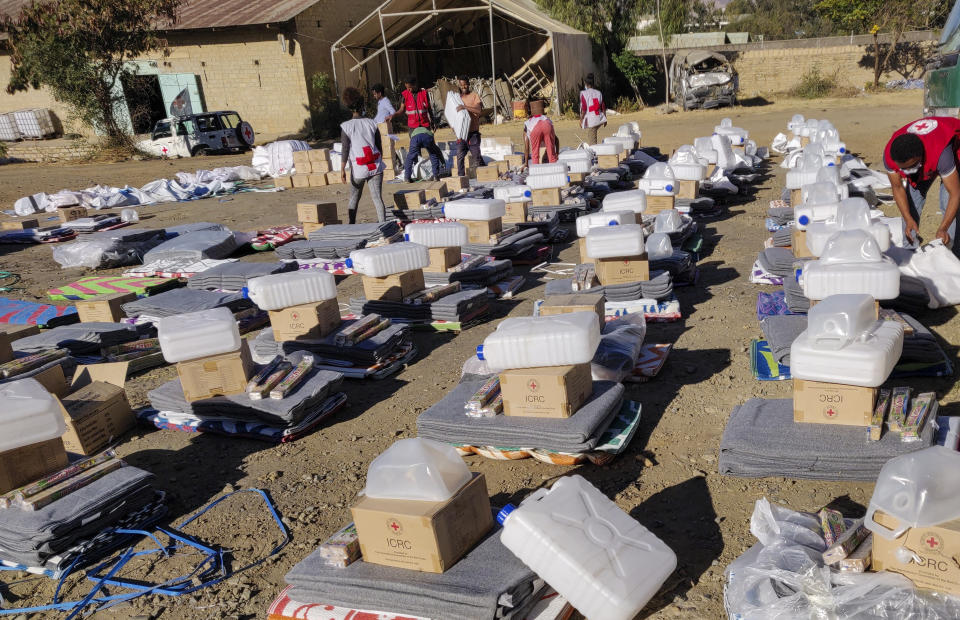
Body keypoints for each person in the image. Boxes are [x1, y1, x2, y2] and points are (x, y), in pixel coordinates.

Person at [883, 117, 960, 253]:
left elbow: (955, 193)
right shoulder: (890, 156)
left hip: (954, 149)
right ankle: (910, 252)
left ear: (921, 157)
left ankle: (950, 252)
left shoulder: (941, 154)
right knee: (912, 203)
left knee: (946, 201)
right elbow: (897, 187)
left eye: (912, 166)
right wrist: (908, 218)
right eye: (903, 169)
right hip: (927, 159)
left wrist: (943, 228)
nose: (908, 171)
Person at [340, 87, 387, 224]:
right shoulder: (372, 123)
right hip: (375, 166)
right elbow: (379, 146)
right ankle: (384, 226)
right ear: (362, 106)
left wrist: (342, 169)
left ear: (349, 108)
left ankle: (351, 225)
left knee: (354, 198)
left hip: (359, 169)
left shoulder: (346, 127)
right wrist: (380, 160)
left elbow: (345, 149)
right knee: (377, 199)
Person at [389, 75, 446, 181]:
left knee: (431, 149)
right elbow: (401, 109)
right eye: (406, 87)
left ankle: (435, 174)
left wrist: (433, 121)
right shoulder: (405, 95)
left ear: (415, 85)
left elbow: (429, 108)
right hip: (413, 128)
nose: (408, 90)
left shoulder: (424, 94)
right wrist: (394, 115)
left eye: (410, 87)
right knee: (414, 152)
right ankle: (416, 172)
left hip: (425, 126)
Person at [455, 77, 484, 177]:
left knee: (476, 158)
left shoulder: (474, 96)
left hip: (473, 134)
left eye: (465, 84)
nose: (463, 86)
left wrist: (465, 107)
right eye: (461, 84)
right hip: (461, 135)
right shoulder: (456, 98)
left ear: (468, 84)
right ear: (459, 85)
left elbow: (479, 110)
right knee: (459, 157)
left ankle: (481, 178)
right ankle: (461, 179)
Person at [523, 99, 558, 164]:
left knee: (535, 153)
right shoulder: (546, 118)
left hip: (535, 129)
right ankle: (554, 169)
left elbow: (527, 148)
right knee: (551, 152)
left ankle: (536, 170)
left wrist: (526, 163)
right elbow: (556, 140)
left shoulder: (527, 123)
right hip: (547, 125)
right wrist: (557, 154)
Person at [579, 74, 607, 146]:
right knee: (592, 133)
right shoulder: (598, 93)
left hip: (592, 119)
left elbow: (584, 109)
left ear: (585, 84)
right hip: (599, 117)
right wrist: (605, 118)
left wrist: (581, 119)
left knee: (592, 141)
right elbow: (603, 106)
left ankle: (595, 154)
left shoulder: (584, 94)